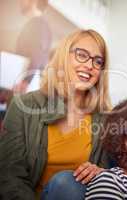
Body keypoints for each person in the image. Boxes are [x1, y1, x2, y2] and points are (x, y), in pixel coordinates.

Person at [0, 29, 111, 200]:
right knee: (64, 183)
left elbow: (115, 179)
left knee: (67, 184)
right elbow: (10, 175)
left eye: (98, 61)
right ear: (63, 57)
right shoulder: (24, 106)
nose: (89, 66)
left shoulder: (105, 120)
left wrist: (103, 176)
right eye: (82, 55)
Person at [14, 0, 52, 93]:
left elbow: (38, 55)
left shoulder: (38, 24)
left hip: (24, 86)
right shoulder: (36, 24)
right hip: (22, 84)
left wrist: (25, 82)